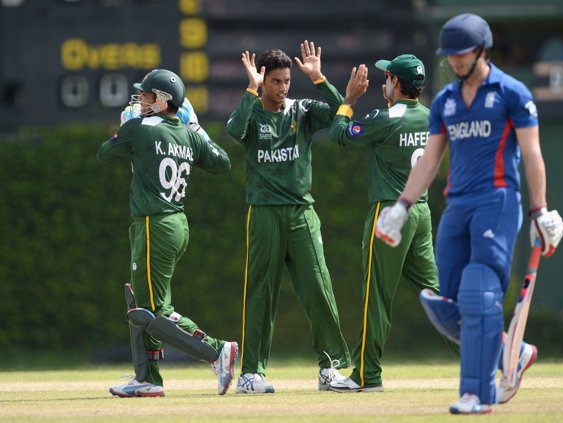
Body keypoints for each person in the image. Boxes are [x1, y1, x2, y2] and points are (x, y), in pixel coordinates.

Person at [375, 14, 563, 414]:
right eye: (452, 56)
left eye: (463, 54)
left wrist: (540, 210)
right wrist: (401, 206)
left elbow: (532, 155)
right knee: (446, 306)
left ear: (482, 50)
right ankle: (511, 353)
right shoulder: (444, 101)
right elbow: (429, 160)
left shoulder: (512, 92)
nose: (456, 62)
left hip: (496, 202)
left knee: (479, 294)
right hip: (457, 207)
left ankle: (477, 394)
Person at [97, 68, 238, 398]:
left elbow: (105, 153)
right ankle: (148, 379)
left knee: (149, 312)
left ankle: (217, 352)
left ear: (161, 100)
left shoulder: (140, 127)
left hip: (153, 224)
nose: (141, 100)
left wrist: (124, 129)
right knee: (143, 303)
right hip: (175, 224)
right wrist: (197, 126)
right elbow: (221, 163)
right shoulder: (187, 133)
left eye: (146, 95)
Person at [225, 41, 350, 394]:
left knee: (318, 287)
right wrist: (251, 89)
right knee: (261, 293)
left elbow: (340, 109)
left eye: (286, 81)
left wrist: (319, 78)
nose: (282, 88)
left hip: (301, 212)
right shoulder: (252, 113)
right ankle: (251, 374)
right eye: (275, 81)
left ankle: (330, 369)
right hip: (263, 212)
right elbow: (234, 131)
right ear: (263, 81)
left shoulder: (302, 111)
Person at [325, 56, 439, 392]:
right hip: (421, 212)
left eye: (387, 76)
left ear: (398, 82)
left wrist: (348, 100)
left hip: (390, 212)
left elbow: (339, 136)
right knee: (438, 297)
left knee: (376, 298)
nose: (383, 82)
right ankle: (485, 361)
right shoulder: (432, 117)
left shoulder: (386, 118)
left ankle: (366, 376)